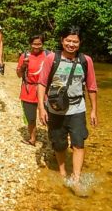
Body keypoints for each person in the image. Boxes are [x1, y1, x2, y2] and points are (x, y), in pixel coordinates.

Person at [37, 26, 98, 188]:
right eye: (68, 41)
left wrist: (93, 110)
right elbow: (42, 83)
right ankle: (63, 171)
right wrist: (41, 108)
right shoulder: (52, 59)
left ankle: (76, 178)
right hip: (55, 109)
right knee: (59, 143)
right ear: (62, 41)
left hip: (77, 108)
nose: (71, 44)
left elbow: (92, 86)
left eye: (75, 42)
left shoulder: (86, 61)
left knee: (78, 142)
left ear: (80, 43)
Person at [16, 34, 50, 147]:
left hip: (45, 90)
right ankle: (32, 139)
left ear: (43, 44)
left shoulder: (48, 55)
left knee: (49, 117)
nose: (37, 46)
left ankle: (54, 142)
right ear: (30, 44)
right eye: (34, 44)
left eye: (39, 44)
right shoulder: (25, 56)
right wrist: (23, 66)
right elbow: (19, 75)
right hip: (28, 90)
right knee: (30, 117)